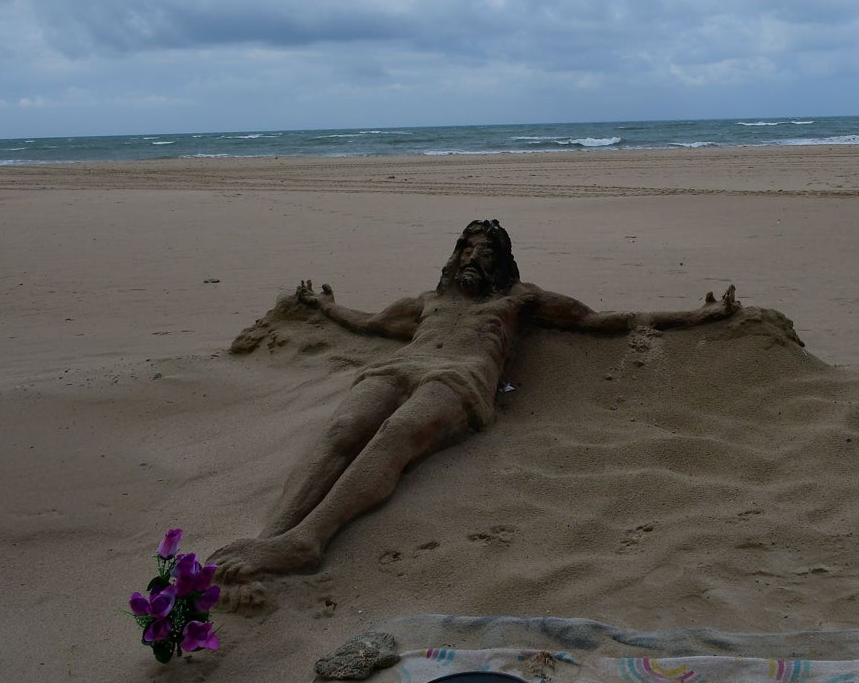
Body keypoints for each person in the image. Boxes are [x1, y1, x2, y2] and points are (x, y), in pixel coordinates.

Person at [211, 219, 736, 585]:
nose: (473, 256)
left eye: (485, 251)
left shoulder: (518, 299)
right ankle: (269, 538)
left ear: (503, 263)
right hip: (396, 369)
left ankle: (308, 540)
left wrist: (694, 317)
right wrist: (323, 304)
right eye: (466, 247)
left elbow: (600, 321)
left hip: (459, 380)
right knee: (340, 434)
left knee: (395, 436)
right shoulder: (427, 302)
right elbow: (366, 322)